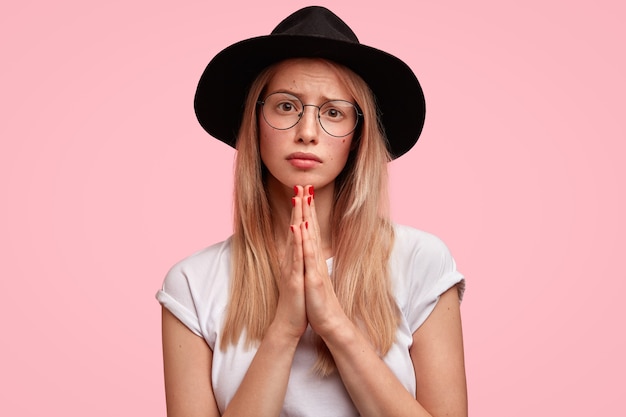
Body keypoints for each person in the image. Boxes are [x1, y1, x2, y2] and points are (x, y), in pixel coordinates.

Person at [156, 6, 467, 417]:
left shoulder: (421, 261)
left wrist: (334, 324)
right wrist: (284, 330)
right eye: (286, 106)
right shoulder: (191, 285)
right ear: (255, 122)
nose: (307, 131)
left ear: (357, 136)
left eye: (333, 112)